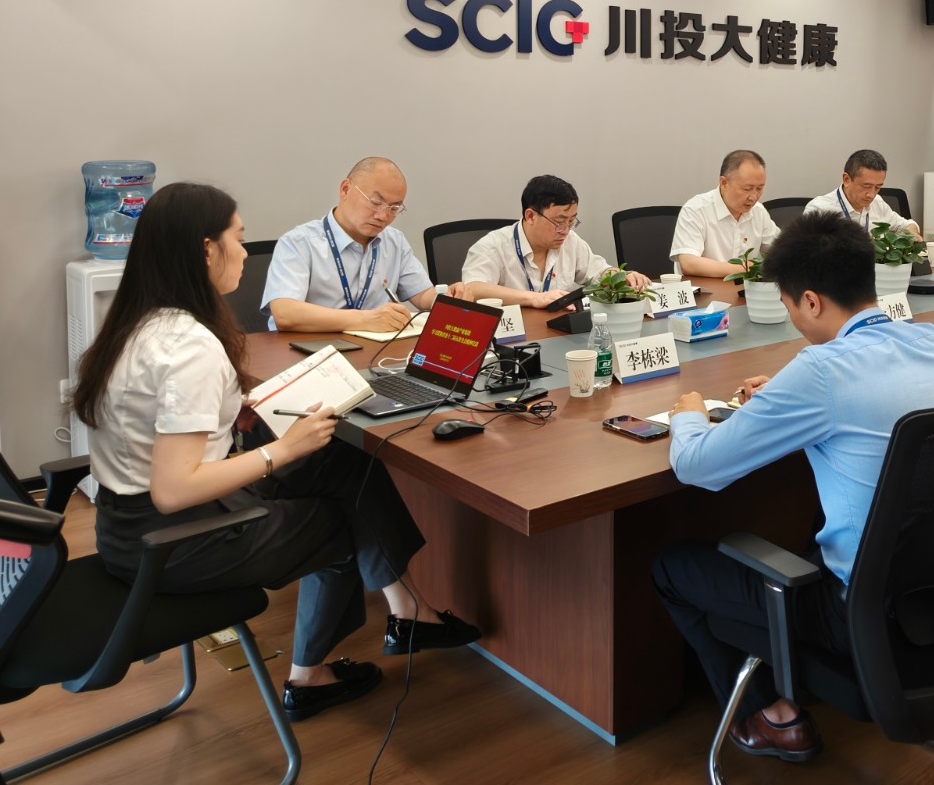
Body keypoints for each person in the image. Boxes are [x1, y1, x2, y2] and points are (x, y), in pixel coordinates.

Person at [72, 183, 479, 723]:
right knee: (339, 521)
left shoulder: (141, 322)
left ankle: (408, 611)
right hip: (177, 540)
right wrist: (280, 450)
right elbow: (173, 490)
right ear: (206, 250)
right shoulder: (190, 348)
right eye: (238, 239)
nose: (246, 253)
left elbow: (158, 429)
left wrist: (232, 411)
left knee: (345, 462)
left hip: (127, 527)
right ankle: (310, 678)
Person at [652, 212, 934, 763]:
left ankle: (770, 716)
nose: (794, 318)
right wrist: (785, 395)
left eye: (790, 305)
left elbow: (698, 467)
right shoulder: (933, 342)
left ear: (812, 302)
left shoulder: (820, 370)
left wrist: (690, 414)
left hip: (857, 609)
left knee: (672, 567)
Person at [263, 157, 471, 332]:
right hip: (311, 353)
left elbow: (422, 295)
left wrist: (446, 298)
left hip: (372, 352)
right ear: (345, 189)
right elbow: (285, 313)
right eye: (375, 202)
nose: (383, 216)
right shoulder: (299, 242)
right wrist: (364, 320)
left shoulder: (394, 241)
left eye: (394, 208)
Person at [461, 174, 649, 308]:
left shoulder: (570, 241)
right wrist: (534, 298)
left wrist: (622, 276)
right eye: (559, 222)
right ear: (530, 216)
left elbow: (599, 272)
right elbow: (473, 289)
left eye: (571, 221)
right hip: (510, 338)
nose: (566, 230)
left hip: (556, 333)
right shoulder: (493, 247)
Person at [670, 149, 780, 277]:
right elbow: (689, 264)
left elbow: (782, 253)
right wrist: (748, 268)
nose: (753, 197)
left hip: (746, 289)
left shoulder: (758, 212)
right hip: (703, 288)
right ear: (724, 183)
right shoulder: (695, 209)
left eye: (759, 188)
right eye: (747, 189)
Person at [802, 148, 919, 233]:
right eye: (866, 186)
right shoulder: (819, 209)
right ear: (846, 179)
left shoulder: (877, 202)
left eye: (878, 187)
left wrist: (909, 234)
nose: (871, 195)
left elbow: (908, 225)